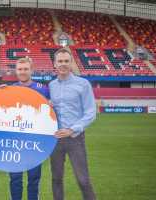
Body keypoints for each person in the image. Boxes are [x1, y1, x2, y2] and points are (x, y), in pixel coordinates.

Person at [49, 48, 97, 200]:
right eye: (60, 61)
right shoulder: (51, 86)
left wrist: (72, 130)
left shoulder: (83, 84)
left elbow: (90, 113)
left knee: (83, 180)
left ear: (71, 63)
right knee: (56, 179)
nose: (63, 64)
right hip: (55, 139)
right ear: (54, 64)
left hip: (75, 138)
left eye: (66, 61)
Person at [9, 57, 50, 200]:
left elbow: (50, 113)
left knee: (34, 178)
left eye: (26, 69)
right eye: (20, 69)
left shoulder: (43, 89)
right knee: (15, 178)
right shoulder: (9, 90)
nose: (23, 72)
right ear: (16, 71)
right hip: (15, 141)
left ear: (31, 70)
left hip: (35, 141)